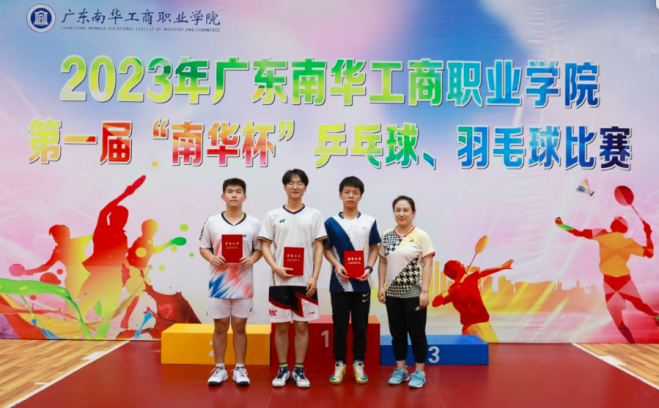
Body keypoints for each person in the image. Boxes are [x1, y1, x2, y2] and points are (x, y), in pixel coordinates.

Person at [259, 169, 327, 388]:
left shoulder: (314, 215)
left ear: (305, 187)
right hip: (279, 282)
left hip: (305, 281)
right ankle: (282, 369)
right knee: (280, 327)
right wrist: (275, 267)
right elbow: (265, 245)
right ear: (284, 187)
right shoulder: (272, 215)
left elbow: (319, 247)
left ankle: (298, 369)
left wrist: (315, 276)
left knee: (301, 326)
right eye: (291, 183)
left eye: (299, 183)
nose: (295, 187)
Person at [201, 178, 262, 387]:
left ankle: (239, 369)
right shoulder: (212, 222)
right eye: (230, 191)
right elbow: (203, 247)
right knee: (219, 326)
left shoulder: (254, 223)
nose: (234, 195)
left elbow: (259, 250)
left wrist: (251, 259)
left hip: (243, 284)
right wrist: (212, 258)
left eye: (238, 191)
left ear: (244, 196)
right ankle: (219, 369)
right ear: (223, 196)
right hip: (218, 283)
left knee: (239, 326)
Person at [555, 216, 657, 342]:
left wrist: (561, 225)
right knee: (639, 305)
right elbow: (649, 253)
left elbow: (577, 232)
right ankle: (655, 316)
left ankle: (632, 343)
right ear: (625, 229)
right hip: (624, 280)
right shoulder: (628, 242)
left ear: (612, 225)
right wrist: (648, 234)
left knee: (618, 320)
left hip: (610, 282)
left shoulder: (602, 234)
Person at [323, 176, 380, 385]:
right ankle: (339, 364)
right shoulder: (331, 222)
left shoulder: (369, 221)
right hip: (339, 283)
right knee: (339, 326)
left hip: (362, 282)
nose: (351, 196)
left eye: (355, 192)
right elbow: (326, 249)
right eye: (347, 192)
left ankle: (358, 363)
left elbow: (374, 247)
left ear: (360, 196)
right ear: (340, 195)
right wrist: (336, 265)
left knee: (360, 326)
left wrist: (369, 268)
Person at [378, 196, 434, 389]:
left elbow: (428, 264)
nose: (401, 214)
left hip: (414, 294)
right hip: (392, 294)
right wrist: (381, 286)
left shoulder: (421, 235)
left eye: (405, 210)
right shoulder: (387, 235)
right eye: (398, 210)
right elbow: (383, 262)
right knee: (397, 334)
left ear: (413, 213)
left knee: (417, 334)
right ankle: (401, 370)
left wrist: (424, 291)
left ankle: (419, 372)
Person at [432, 259, 514, 343]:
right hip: (475, 327)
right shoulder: (453, 290)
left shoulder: (470, 279)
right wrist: (450, 291)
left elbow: (483, 272)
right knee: (490, 349)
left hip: (480, 325)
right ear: (457, 270)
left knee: (489, 349)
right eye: (460, 265)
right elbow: (435, 303)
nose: (463, 265)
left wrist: (501, 267)